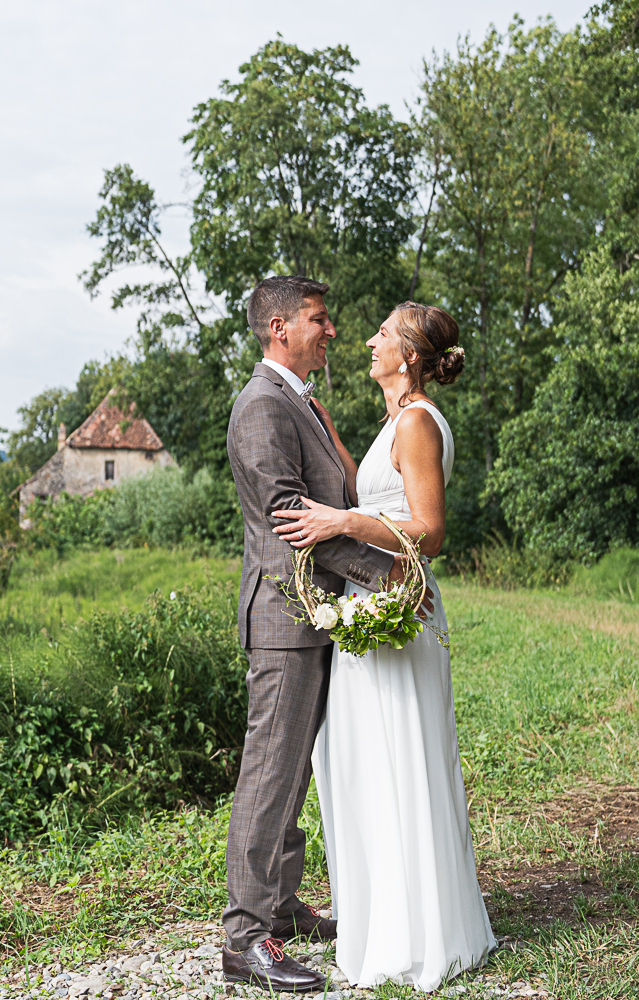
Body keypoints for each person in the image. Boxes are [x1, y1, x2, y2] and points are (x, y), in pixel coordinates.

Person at [272, 301, 497, 992]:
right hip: (374, 609)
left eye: (379, 335)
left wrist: (341, 519)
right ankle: (386, 916)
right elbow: (367, 484)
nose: (366, 342)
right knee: (365, 759)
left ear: (405, 355)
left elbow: (428, 531)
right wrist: (324, 428)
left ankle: (415, 934)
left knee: (397, 761)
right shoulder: (396, 421)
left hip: (400, 613)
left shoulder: (420, 422)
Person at [222, 275, 408, 993]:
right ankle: (244, 938)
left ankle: (281, 905)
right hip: (284, 620)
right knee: (270, 773)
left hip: (320, 616)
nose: (331, 331)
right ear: (279, 329)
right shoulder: (262, 406)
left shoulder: (297, 401)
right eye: (318, 320)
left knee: (294, 770)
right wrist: (383, 573)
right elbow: (289, 520)